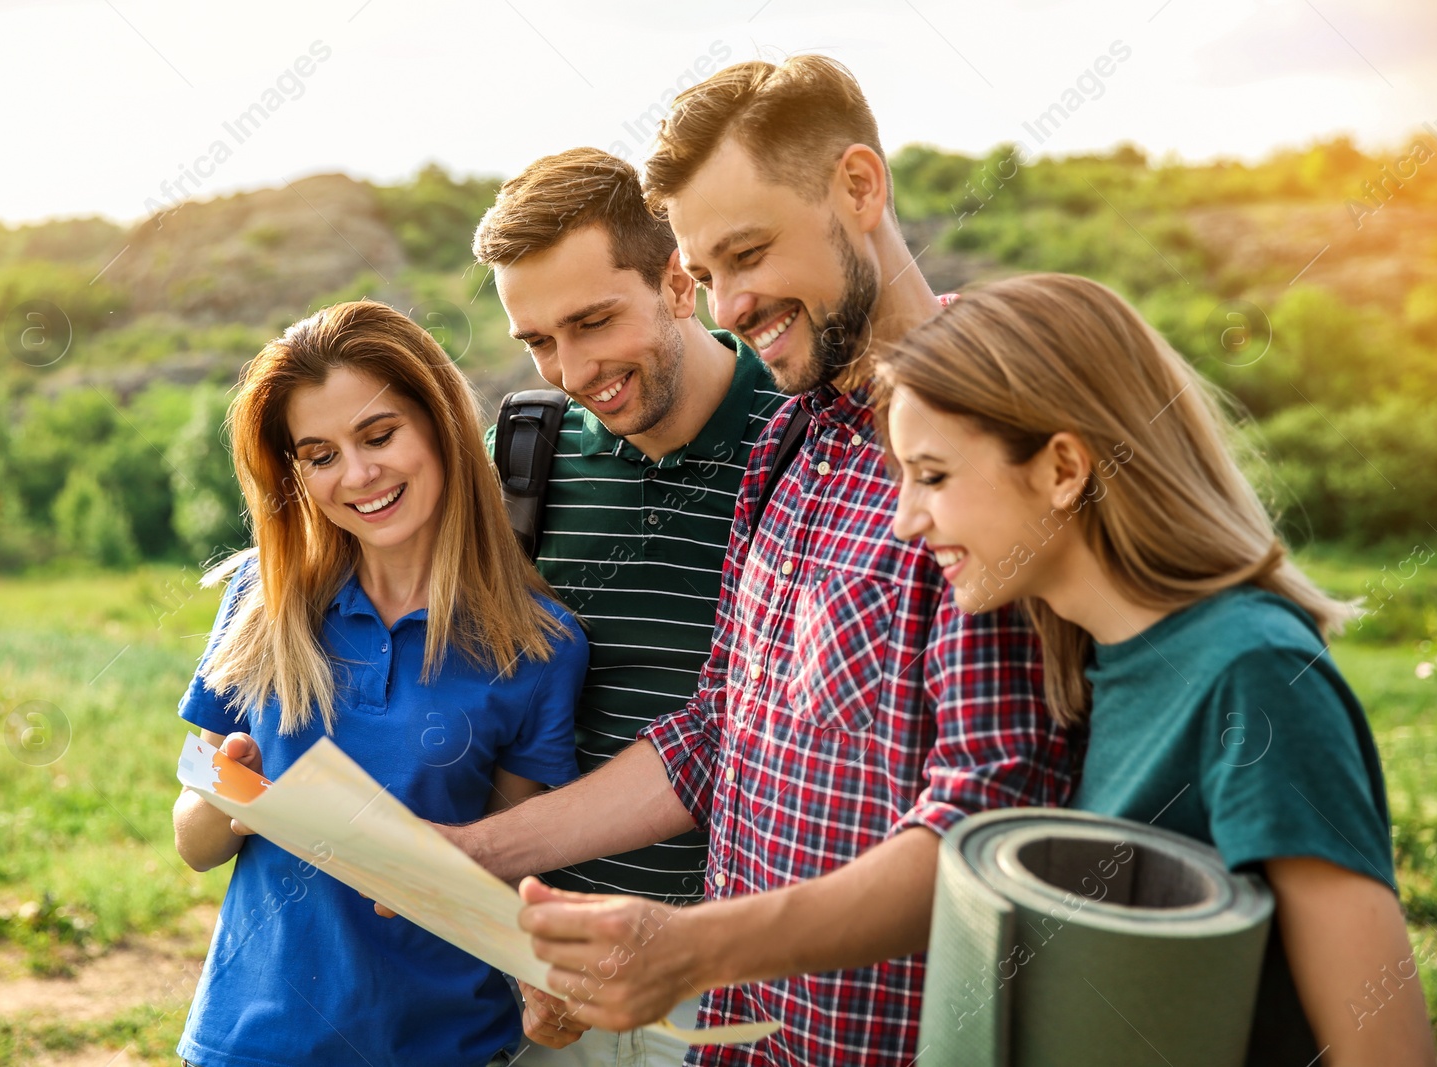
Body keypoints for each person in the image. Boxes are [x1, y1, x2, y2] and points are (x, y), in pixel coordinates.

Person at [439, 57, 1077, 1065]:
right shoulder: (795, 439)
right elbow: (717, 725)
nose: (729, 303)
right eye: (714, 266)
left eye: (746, 253)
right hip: (744, 1039)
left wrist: (688, 945)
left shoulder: (990, 435)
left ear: (860, 188)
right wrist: (474, 855)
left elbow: (987, 818)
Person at [877, 271, 1437, 1067]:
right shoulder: (1093, 661)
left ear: (1064, 468)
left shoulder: (1255, 676)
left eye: (931, 475)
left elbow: (1389, 1053)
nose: (905, 519)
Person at [170, 301, 588, 1067]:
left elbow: (509, 865)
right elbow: (194, 842)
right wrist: (232, 800)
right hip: (252, 1040)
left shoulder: (538, 645)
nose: (358, 475)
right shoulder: (265, 603)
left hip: (445, 1047)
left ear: (439, 424)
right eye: (320, 453)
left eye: (379, 434)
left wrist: (543, 981)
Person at [473, 146, 788, 1063]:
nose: (570, 369)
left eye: (593, 321)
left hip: (741, 981)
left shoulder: (804, 436)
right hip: (555, 966)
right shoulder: (524, 455)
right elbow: (496, 704)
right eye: (537, 340)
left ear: (679, 280)